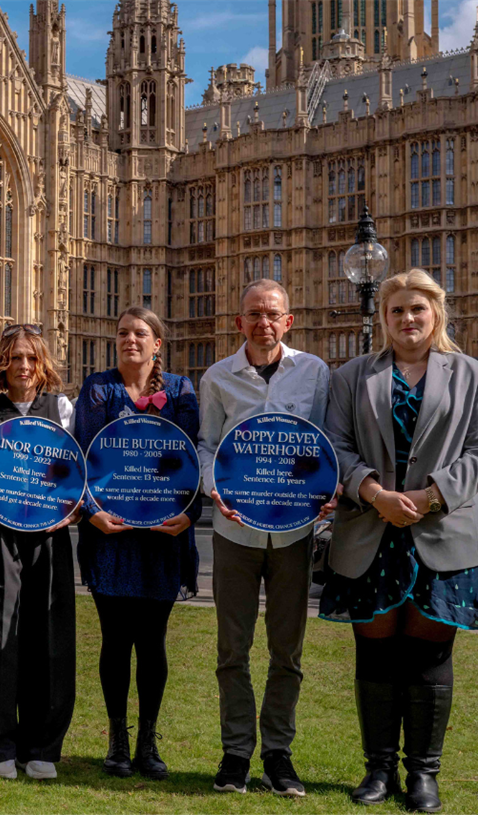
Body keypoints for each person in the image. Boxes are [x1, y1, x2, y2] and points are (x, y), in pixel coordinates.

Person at [321, 269, 478, 812]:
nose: (407, 319)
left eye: (417, 310)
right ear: (384, 318)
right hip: (370, 529)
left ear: (436, 314)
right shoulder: (352, 375)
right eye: (397, 310)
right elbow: (336, 445)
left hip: (440, 529)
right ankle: (377, 770)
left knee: (429, 656)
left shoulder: (474, 375)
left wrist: (428, 497)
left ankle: (423, 773)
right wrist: (374, 493)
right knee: (375, 656)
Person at [196, 279, 336, 797]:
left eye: (272, 314)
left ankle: (278, 754)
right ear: (239, 322)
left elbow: (326, 445)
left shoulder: (315, 373)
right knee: (232, 649)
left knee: (287, 653)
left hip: (295, 532)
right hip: (235, 532)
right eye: (253, 313)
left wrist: (330, 486)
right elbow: (208, 447)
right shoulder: (217, 378)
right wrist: (215, 488)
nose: (263, 322)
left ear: (288, 321)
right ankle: (235, 754)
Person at [72, 308, 201, 782]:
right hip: (112, 537)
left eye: (140, 333)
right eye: (123, 332)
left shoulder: (183, 391)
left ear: (157, 344)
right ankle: (117, 740)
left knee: (152, 643)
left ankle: (148, 741)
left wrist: (192, 514)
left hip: (163, 539)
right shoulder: (99, 388)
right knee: (114, 640)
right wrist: (92, 512)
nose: (130, 339)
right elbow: (82, 456)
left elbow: (192, 461)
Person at [0, 325, 77, 781]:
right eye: (15, 359)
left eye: (32, 358)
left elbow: (76, 472)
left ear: (43, 364)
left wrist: (73, 509)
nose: (25, 367)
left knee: (48, 636)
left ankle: (42, 746)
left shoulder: (63, 410)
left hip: (49, 534)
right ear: (2, 366)